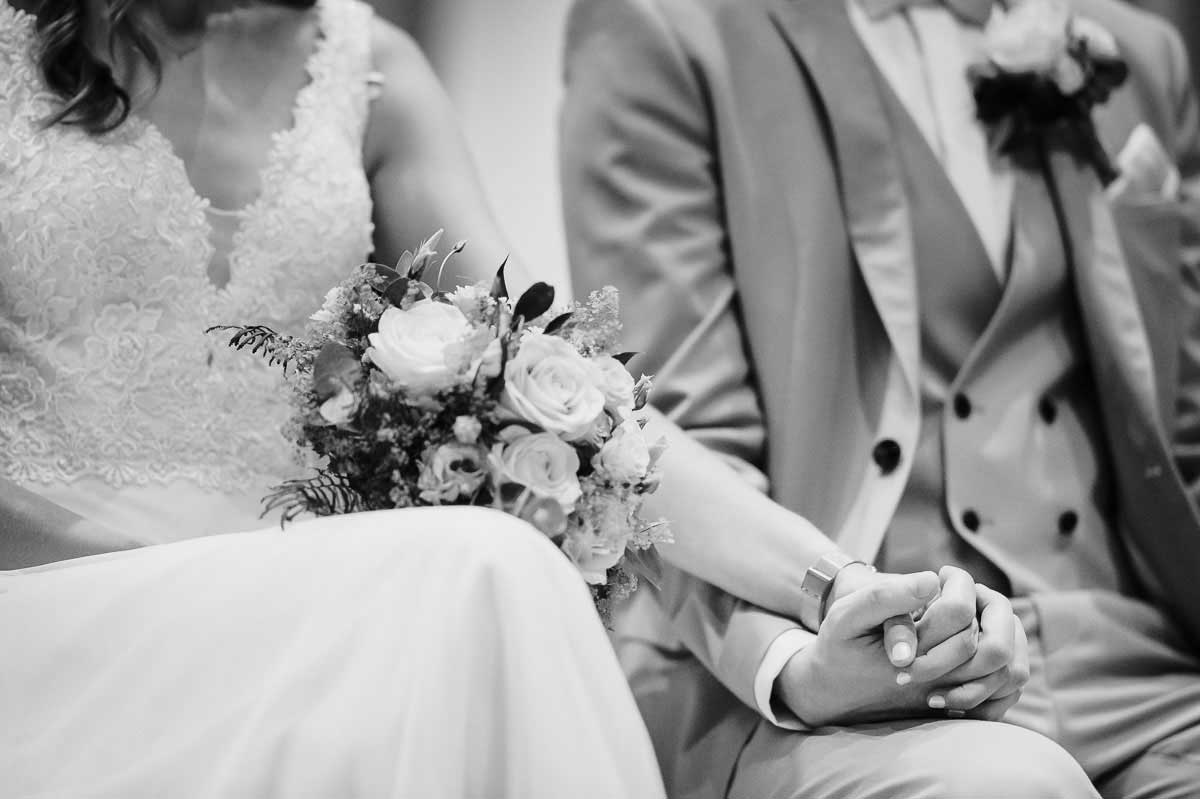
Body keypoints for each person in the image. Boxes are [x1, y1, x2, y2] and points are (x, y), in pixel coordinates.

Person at [0, 2, 668, 795]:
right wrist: (181, 572)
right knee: (483, 565)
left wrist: (800, 573)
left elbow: (566, 369)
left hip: (300, 608)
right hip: (56, 600)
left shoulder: (366, 64)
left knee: (496, 570)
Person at [561, 0, 1200, 796]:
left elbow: (1184, 431)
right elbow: (660, 445)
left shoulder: (1140, 54)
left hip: (1131, 664)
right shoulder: (666, 28)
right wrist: (800, 664)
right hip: (820, 678)